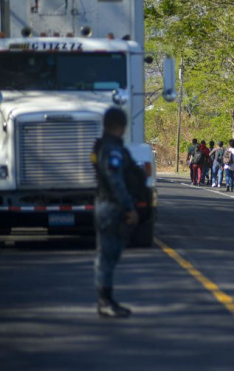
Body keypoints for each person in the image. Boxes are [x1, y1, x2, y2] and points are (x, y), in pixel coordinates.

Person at [91, 107, 139, 318]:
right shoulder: (111, 149)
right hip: (111, 207)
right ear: (121, 126)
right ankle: (105, 301)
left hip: (106, 205)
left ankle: (106, 299)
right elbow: (116, 180)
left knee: (109, 254)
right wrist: (129, 207)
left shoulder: (105, 146)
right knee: (108, 255)